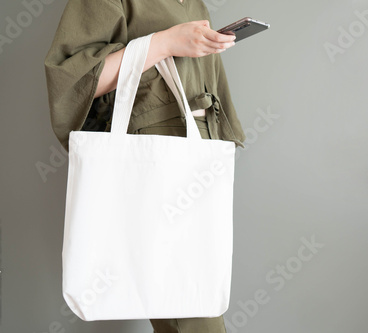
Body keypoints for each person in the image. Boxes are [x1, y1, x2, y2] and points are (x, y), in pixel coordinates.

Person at [44, 0, 246, 332]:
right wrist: (163, 42)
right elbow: (71, 82)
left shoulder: (194, 2)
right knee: (191, 308)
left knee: (198, 292)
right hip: (154, 152)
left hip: (198, 152)